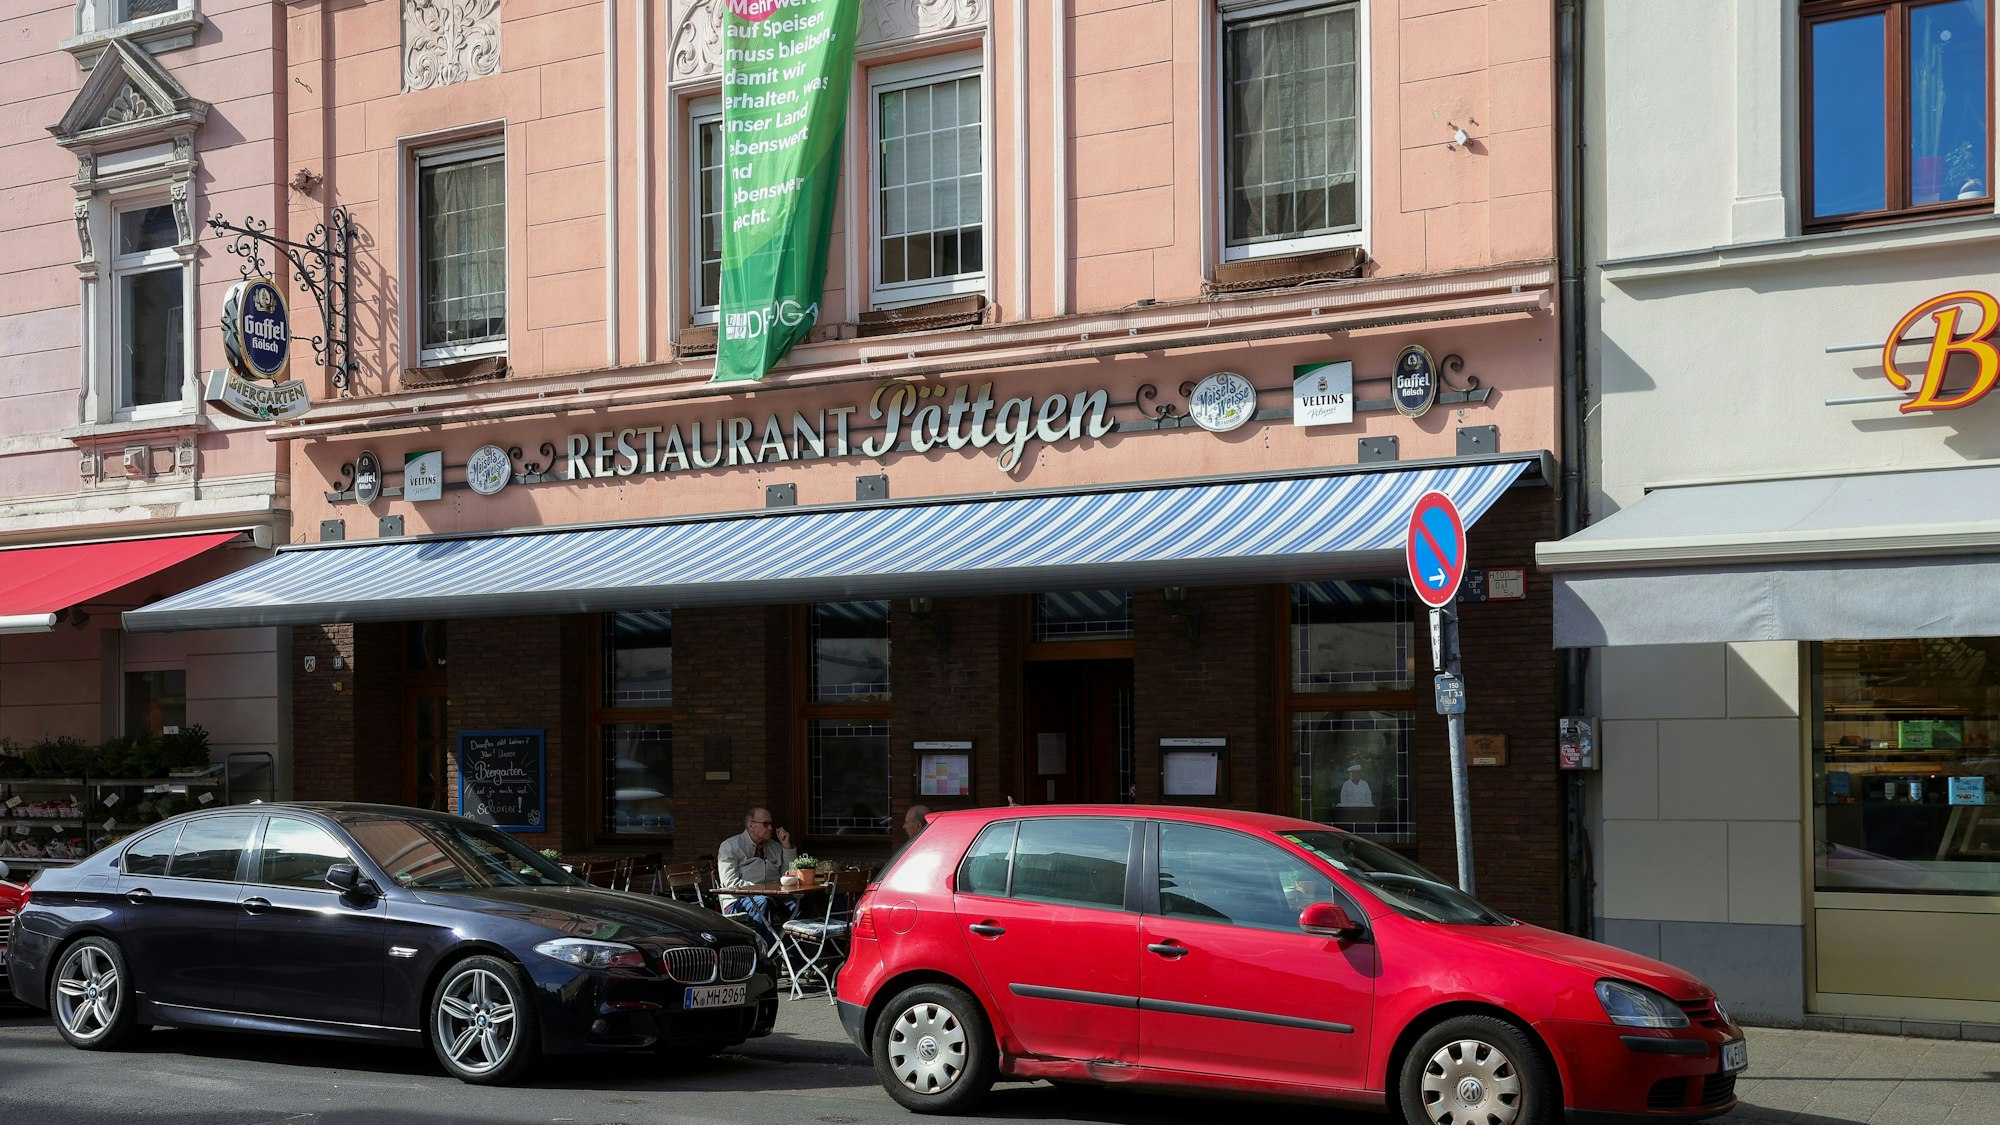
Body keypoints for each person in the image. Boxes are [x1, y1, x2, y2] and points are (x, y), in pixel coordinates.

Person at [718, 806, 798, 942]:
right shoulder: (730, 846)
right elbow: (730, 883)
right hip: (737, 901)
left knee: (800, 903)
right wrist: (762, 891)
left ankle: (791, 954)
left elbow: (789, 875)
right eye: (765, 824)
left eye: (771, 824)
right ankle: (764, 954)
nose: (771, 828)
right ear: (751, 826)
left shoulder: (775, 846)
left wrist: (787, 846)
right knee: (763, 902)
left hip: (773, 897)